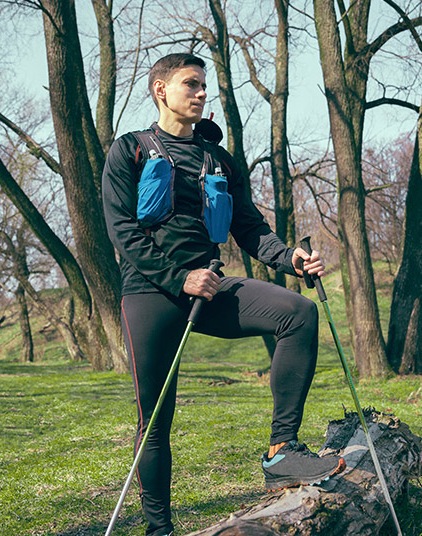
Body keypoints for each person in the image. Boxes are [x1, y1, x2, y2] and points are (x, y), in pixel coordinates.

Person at [101, 53, 345, 536]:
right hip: (150, 293)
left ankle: (281, 450)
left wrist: (288, 258)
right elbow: (121, 231)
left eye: (203, 86)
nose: (200, 93)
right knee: (155, 420)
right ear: (160, 90)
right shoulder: (129, 149)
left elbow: (250, 228)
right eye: (190, 84)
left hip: (211, 288)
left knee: (296, 312)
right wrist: (178, 277)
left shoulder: (219, 160)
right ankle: (159, 530)